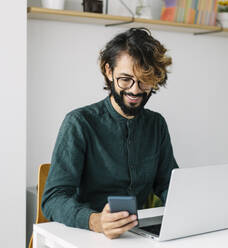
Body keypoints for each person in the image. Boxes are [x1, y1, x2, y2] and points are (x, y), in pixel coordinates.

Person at [41, 28, 178, 239]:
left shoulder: (156, 125)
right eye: (125, 79)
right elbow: (53, 199)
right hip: (86, 235)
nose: (135, 90)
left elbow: (168, 183)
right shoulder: (79, 123)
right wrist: (95, 221)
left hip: (135, 237)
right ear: (109, 71)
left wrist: (189, 206)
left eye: (144, 81)